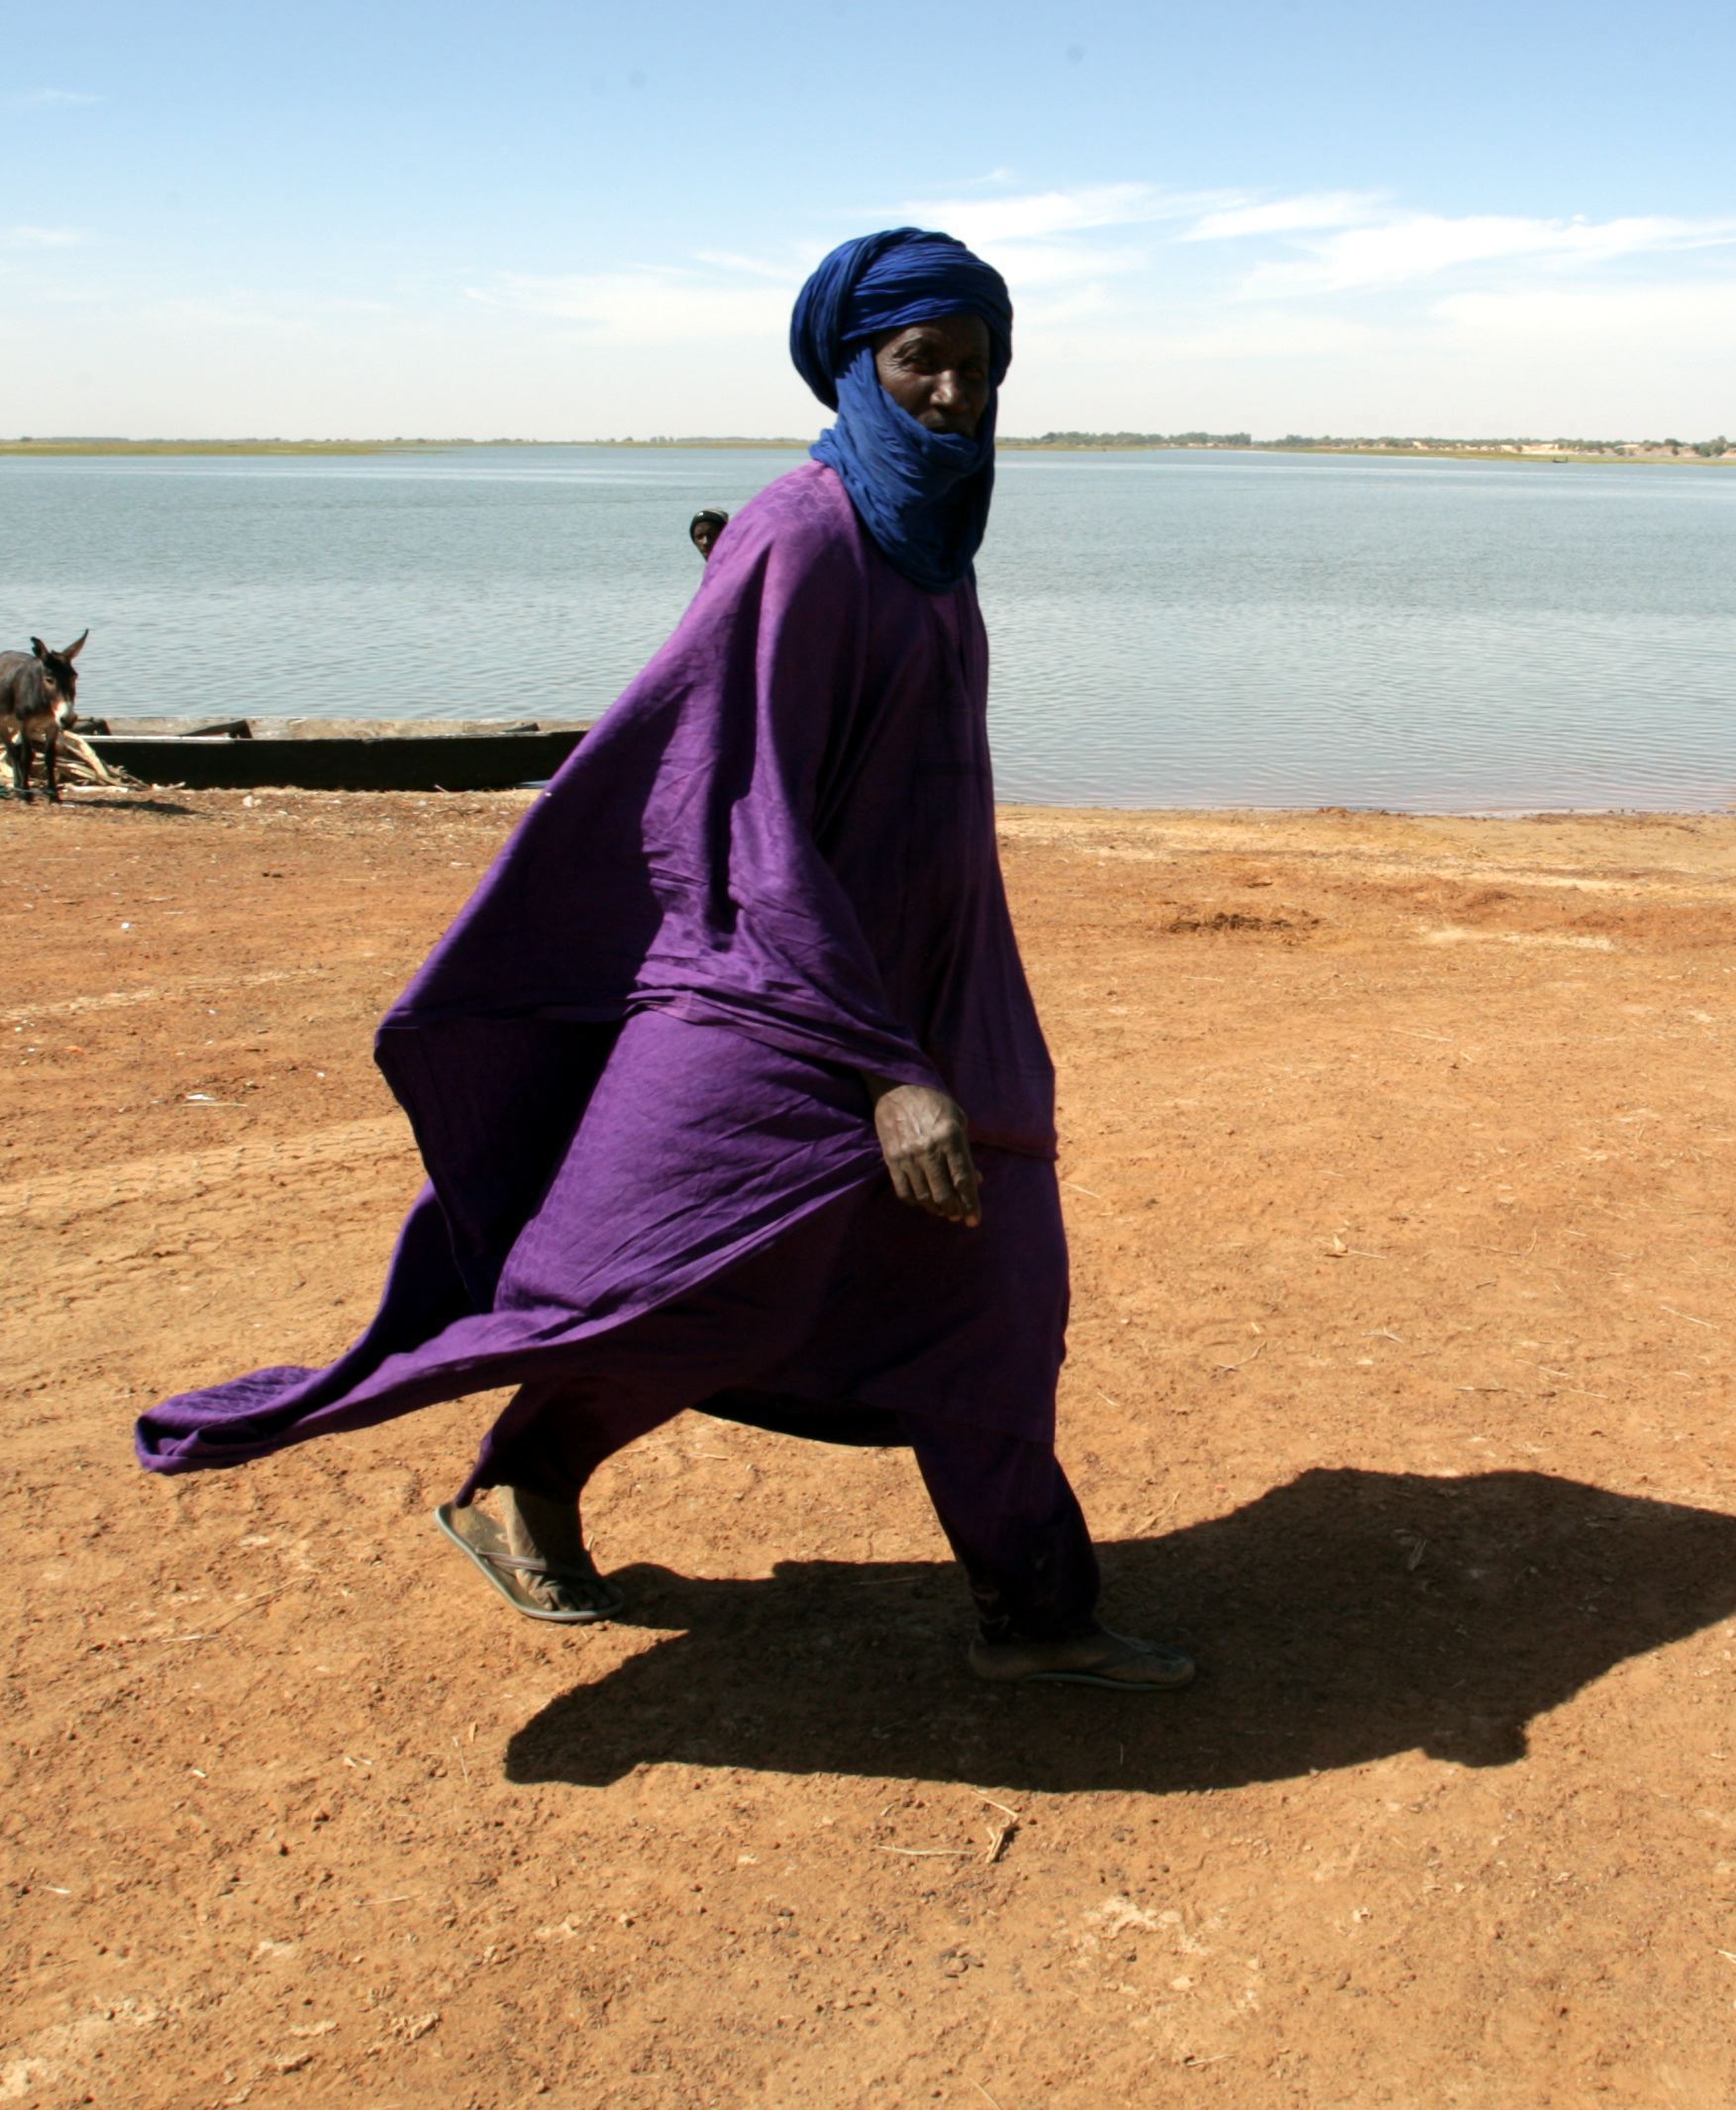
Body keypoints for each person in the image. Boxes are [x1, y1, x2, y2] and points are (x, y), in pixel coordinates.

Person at [135, 227, 1191, 1693]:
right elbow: (739, 819)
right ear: (854, 368)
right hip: (777, 1003)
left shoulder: (937, 551)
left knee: (993, 1296)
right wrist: (883, 1070)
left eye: (978, 367)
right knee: (702, 1290)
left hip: (932, 1005)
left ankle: (1038, 1615)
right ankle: (521, 1485)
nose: (953, 394)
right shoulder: (800, 534)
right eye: (920, 363)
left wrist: (944, 1035)